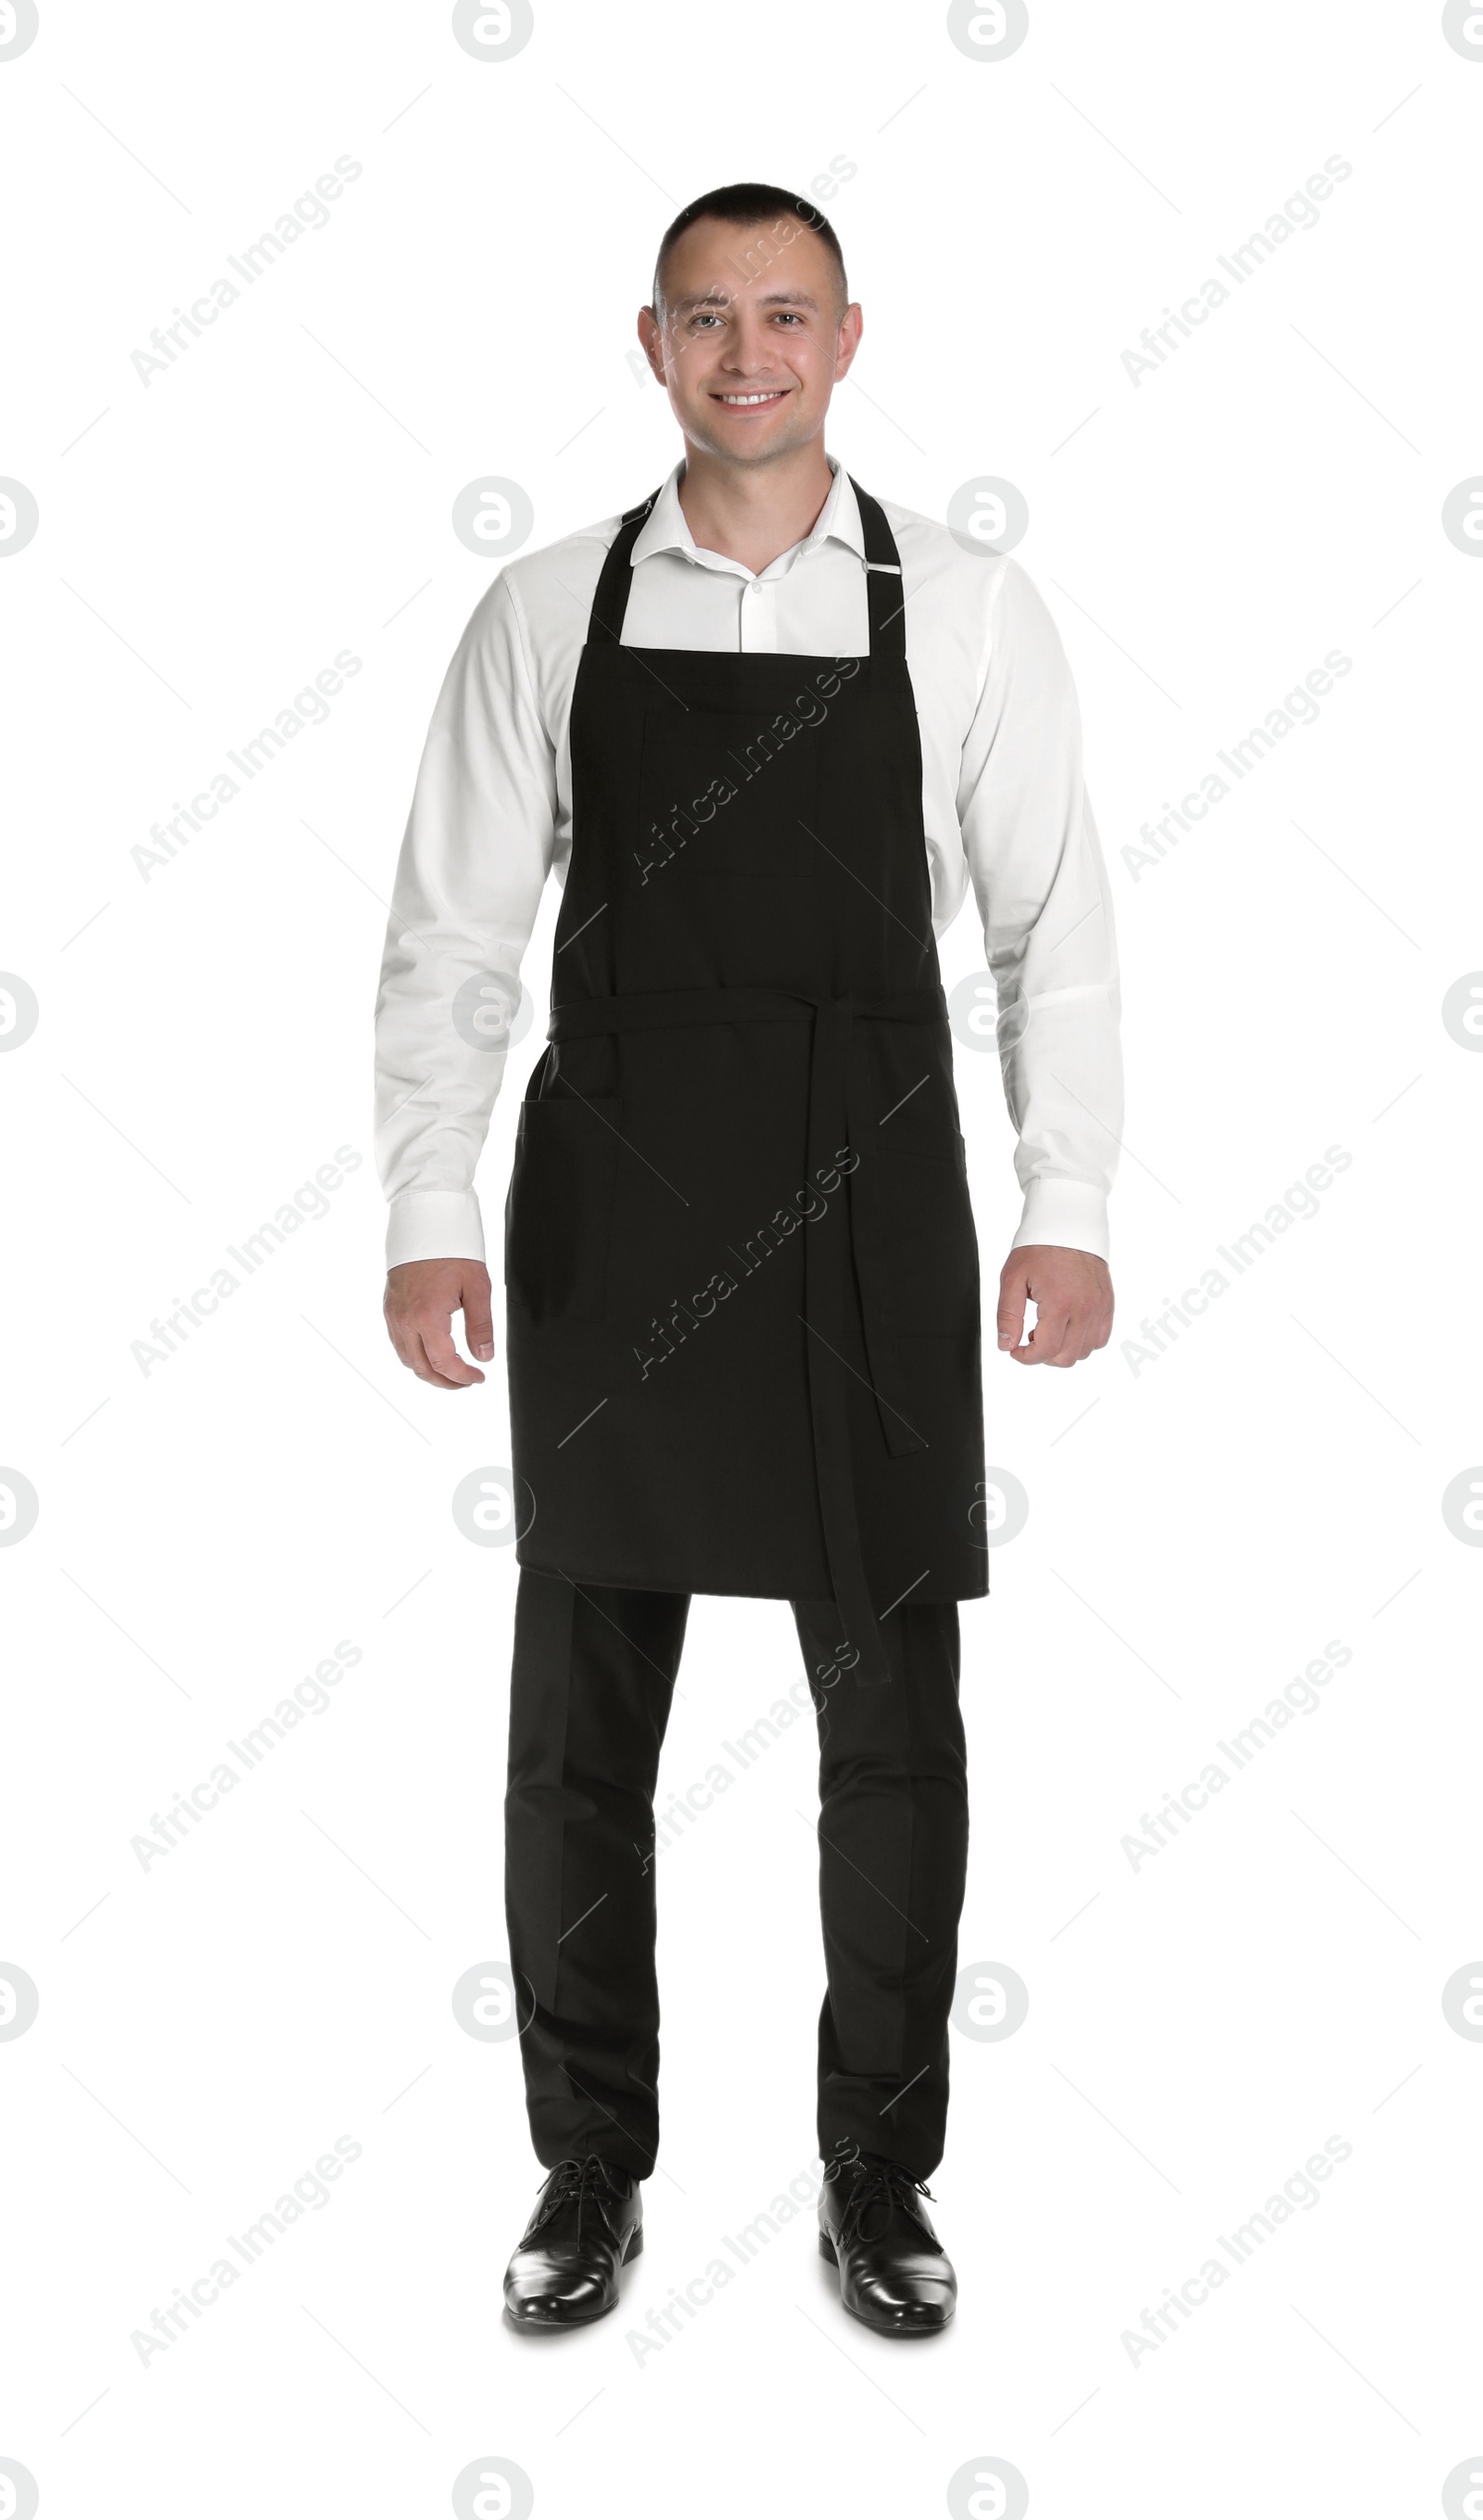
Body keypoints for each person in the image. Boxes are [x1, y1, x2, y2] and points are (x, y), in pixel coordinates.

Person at [374, 182, 1121, 2337]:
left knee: (894, 1732)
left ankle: (877, 2175)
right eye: (705, 320)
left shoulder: (968, 608)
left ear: (847, 335)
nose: (746, 356)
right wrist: (429, 1213)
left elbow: (1053, 929)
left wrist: (1061, 1203)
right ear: (649, 343)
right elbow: (448, 938)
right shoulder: (541, 607)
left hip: (869, 1209)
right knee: (575, 1738)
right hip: (615, 1210)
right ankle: (585, 2171)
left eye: (782, 315)